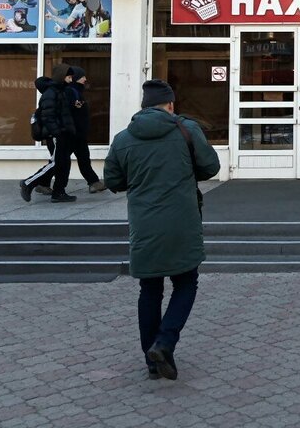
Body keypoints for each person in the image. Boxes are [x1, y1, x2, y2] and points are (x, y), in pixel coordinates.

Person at [104, 79, 220, 381]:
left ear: (144, 106)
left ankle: (152, 363)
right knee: (186, 282)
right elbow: (210, 167)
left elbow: (113, 180)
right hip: (182, 220)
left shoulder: (123, 138)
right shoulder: (186, 130)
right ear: (170, 104)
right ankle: (164, 342)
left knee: (150, 288)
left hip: (144, 224)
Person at [20, 63, 77, 203]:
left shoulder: (60, 91)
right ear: (61, 77)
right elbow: (48, 116)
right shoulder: (51, 93)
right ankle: (28, 183)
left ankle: (59, 192)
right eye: (69, 77)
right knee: (56, 163)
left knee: (64, 164)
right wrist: (57, 132)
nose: (71, 80)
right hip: (57, 135)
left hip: (63, 133)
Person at [68, 66, 107, 193]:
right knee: (59, 161)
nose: (85, 79)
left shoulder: (77, 92)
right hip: (73, 134)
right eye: (82, 77)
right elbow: (72, 113)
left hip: (78, 134)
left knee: (84, 158)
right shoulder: (71, 93)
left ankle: (94, 182)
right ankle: (40, 182)